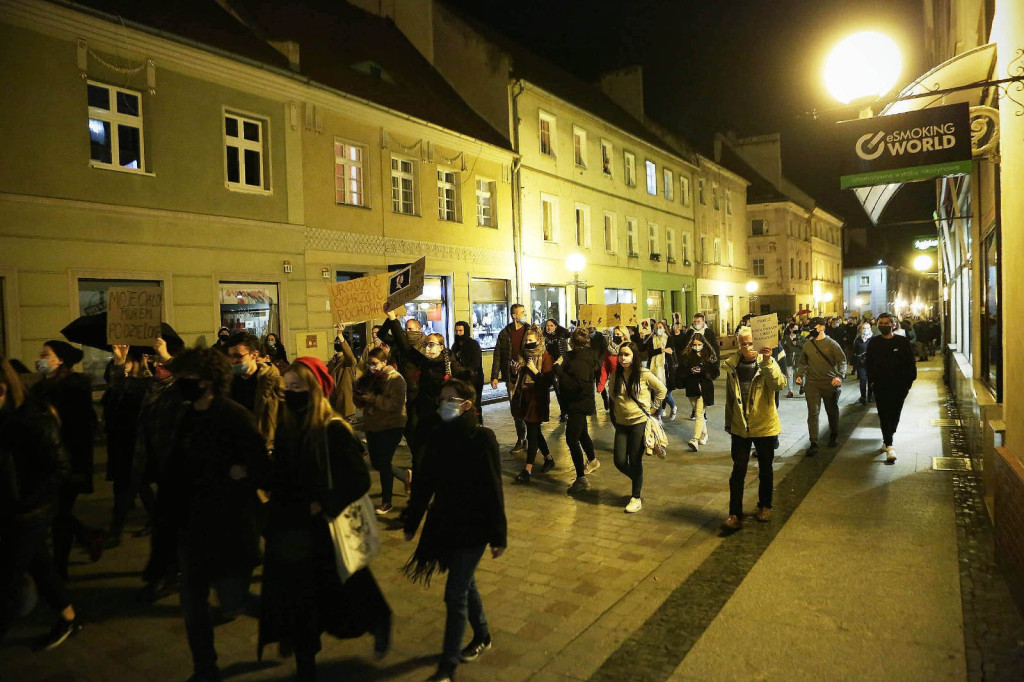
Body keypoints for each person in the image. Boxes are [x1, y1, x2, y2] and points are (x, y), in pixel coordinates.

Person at [258, 357, 392, 681]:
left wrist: (325, 504)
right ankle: (305, 659)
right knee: (303, 603)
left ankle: (379, 620)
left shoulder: (332, 429)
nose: (289, 393)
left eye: (296, 387)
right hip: (293, 528)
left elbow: (359, 478)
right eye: (286, 387)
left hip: (324, 530)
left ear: (314, 389)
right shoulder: (289, 426)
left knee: (350, 585)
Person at [163, 348, 271, 682]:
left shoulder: (235, 416)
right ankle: (205, 670)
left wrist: (244, 471)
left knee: (234, 600)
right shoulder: (185, 416)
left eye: (187, 380)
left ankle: (285, 621)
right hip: (192, 530)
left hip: (229, 528)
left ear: (208, 382)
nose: (181, 386)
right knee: (193, 609)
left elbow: (264, 470)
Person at [403, 378, 506, 682]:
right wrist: (412, 521)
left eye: (450, 401)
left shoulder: (482, 439)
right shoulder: (438, 436)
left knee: (455, 593)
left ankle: (447, 668)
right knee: (466, 583)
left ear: (467, 405)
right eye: (441, 400)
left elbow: (493, 488)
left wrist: (499, 536)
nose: (442, 406)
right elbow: (425, 482)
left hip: (474, 527)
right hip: (446, 523)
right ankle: (484, 635)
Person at [0, 355, 83, 651]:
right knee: (41, 566)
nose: (40, 361)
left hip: (28, 513)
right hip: (14, 510)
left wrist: (26, 502)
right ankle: (69, 618)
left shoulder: (34, 417)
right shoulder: (8, 415)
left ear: (3, 388)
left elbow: (60, 467)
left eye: (47, 355)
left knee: (8, 583)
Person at [30, 340, 103, 578]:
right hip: (44, 462)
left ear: (59, 360)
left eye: (45, 354)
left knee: (59, 514)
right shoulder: (40, 389)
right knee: (58, 513)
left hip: (67, 462)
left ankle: (59, 568)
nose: (39, 359)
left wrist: (79, 468)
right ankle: (87, 536)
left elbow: (82, 432)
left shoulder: (73, 390)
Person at [383, 305, 465, 489]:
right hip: (423, 417)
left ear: (441, 347)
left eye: (432, 344)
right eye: (427, 344)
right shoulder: (424, 363)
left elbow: (466, 382)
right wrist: (392, 318)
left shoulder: (450, 365)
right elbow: (405, 347)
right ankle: (420, 488)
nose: (428, 347)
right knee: (420, 456)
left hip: (441, 421)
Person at [721, 327, 788, 530]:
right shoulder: (732, 365)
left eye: (751, 343)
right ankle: (735, 513)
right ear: (739, 345)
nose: (748, 347)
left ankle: (765, 505)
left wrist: (768, 361)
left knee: (765, 469)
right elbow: (730, 399)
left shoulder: (766, 362)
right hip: (741, 426)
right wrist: (729, 423)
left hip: (764, 425)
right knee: (738, 470)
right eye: (744, 343)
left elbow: (779, 385)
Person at [102, 346, 155, 547]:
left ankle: (116, 532)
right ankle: (152, 520)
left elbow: (126, 388)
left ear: (136, 364)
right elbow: (115, 394)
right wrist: (118, 362)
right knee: (132, 488)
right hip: (119, 444)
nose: (125, 365)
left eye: (128, 361)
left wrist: (119, 366)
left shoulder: (144, 384)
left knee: (130, 487)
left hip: (137, 444)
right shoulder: (115, 385)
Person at [608, 341, 666, 513]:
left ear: (634, 356)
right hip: (621, 424)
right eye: (621, 355)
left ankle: (636, 496)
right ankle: (637, 480)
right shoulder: (615, 375)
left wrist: (653, 408)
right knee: (619, 461)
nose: (623, 358)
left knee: (634, 460)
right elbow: (612, 395)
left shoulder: (643, 374)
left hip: (639, 423)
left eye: (627, 355)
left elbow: (661, 389)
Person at [354, 347, 407, 515]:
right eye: (369, 363)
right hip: (373, 424)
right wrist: (360, 397)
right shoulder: (370, 377)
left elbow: (396, 404)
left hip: (392, 425)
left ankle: (387, 501)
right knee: (376, 462)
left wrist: (374, 399)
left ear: (384, 362)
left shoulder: (396, 379)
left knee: (383, 462)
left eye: (374, 363)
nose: (371, 366)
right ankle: (405, 477)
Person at [866, 313, 918, 464]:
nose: (883, 325)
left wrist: (907, 384)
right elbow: (869, 363)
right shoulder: (874, 343)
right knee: (884, 414)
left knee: (894, 414)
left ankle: (888, 436)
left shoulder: (902, 342)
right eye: (880, 323)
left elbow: (910, 364)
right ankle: (889, 445)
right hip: (881, 386)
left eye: (886, 323)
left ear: (893, 325)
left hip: (899, 387)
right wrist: (872, 382)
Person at [556, 327, 602, 492]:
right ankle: (592, 459)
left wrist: (560, 373)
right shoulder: (580, 357)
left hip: (578, 404)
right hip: (579, 403)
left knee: (571, 439)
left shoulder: (580, 361)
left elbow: (575, 386)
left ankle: (581, 478)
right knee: (582, 434)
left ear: (572, 342)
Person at [795, 317, 847, 456]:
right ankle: (813, 442)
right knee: (813, 412)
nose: (812, 329)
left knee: (831, 410)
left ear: (822, 327)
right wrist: (799, 375)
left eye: (815, 327)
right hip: (812, 384)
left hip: (829, 383)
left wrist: (839, 376)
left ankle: (834, 433)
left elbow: (842, 361)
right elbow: (803, 362)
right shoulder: (807, 345)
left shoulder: (831, 344)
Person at [510, 326, 555, 484]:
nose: (528, 343)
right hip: (525, 397)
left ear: (539, 340)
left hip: (537, 398)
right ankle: (549, 458)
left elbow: (547, 382)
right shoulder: (523, 355)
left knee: (532, 433)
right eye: (526, 340)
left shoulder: (546, 357)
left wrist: (535, 371)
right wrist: (515, 371)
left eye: (531, 340)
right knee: (534, 430)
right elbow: (517, 377)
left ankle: (528, 469)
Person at [226, 332, 284, 451]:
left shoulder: (272, 381)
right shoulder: (227, 383)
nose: (233, 361)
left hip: (265, 449)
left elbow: (283, 417)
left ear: (254, 355)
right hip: (236, 449)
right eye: (230, 356)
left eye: (238, 356)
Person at [490, 304, 530, 453]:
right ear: (514, 315)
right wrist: (494, 376)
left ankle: (533, 439)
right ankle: (521, 438)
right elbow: (498, 355)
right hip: (511, 377)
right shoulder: (505, 333)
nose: (525, 314)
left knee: (528, 407)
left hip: (527, 375)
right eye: (522, 312)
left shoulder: (529, 331)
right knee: (515, 408)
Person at [676, 334, 719, 451]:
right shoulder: (687, 355)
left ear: (704, 344)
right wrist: (690, 371)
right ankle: (704, 434)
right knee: (697, 411)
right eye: (694, 344)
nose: (696, 346)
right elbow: (681, 370)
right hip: (692, 387)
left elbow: (715, 371)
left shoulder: (710, 355)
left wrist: (703, 371)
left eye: (699, 344)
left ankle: (695, 439)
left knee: (699, 413)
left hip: (704, 388)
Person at [679, 313, 719, 417]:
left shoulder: (709, 333)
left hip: (705, 363)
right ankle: (696, 410)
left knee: (703, 392)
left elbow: (715, 349)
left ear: (703, 322)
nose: (696, 323)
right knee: (693, 393)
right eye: (695, 321)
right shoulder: (689, 333)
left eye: (698, 321)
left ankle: (702, 413)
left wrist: (714, 363)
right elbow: (683, 347)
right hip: (692, 365)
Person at [643, 320, 678, 420]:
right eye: (656, 327)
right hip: (653, 368)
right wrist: (661, 350)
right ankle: (658, 416)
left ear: (664, 329)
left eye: (660, 327)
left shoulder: (669, 339)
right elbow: (650, 352)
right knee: (655, 393)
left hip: (666, 369)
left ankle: (673, 406)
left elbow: (671, 350)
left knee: (667, 394)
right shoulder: (651, 339)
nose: (658, 329)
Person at [452, 321, 484, 422]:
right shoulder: (455, 346)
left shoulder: (473, 344)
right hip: (461, 379)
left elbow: (475, 363)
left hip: (474, 379)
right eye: (457, 331)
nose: (458, 333)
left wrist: (467, 372)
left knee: (475, 404)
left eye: (460, 331)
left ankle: (478, 422)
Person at [326, 326, 359, 422]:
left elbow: (350, 356)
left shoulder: (348, 361)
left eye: (339, 341)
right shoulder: (331, 362)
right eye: (336, 341)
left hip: (346, 406)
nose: (337, 343)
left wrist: (340, 335)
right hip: (334, 404)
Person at [543, 319, 571, 422]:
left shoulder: (562, 334)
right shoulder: (543, 337)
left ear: (556, 326)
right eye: (547, 325)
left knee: (559, 388)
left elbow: (570, 337)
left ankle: (564, 412)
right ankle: (544, 414)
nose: (549, 327)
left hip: (560, 364)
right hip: (548, 364)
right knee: (544, 390)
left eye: (551, 325)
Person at [852, 321, 874, 405]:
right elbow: (855, 352)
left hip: (871, 364)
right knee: (863, 380)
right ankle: (863, 396)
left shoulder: (873, 339)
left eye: (868, 328)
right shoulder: (858, 340)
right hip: (861, 364)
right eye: (864, 328)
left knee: (871, 380)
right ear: (860, 329)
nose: (866, 330)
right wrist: (853, 363)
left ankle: (870, 395)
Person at [781, 322, 804, 398]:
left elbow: (805, 346)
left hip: (798, 359)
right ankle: (790, 391)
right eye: (794, 329)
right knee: (790, 375)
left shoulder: (800, 338)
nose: (796, 330)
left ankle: (802, 386)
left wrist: (797, 343)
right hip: (789, 359)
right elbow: (782, 349)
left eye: (797, 329)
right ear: (791, 329)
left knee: (800, 374)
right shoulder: (786, 339)